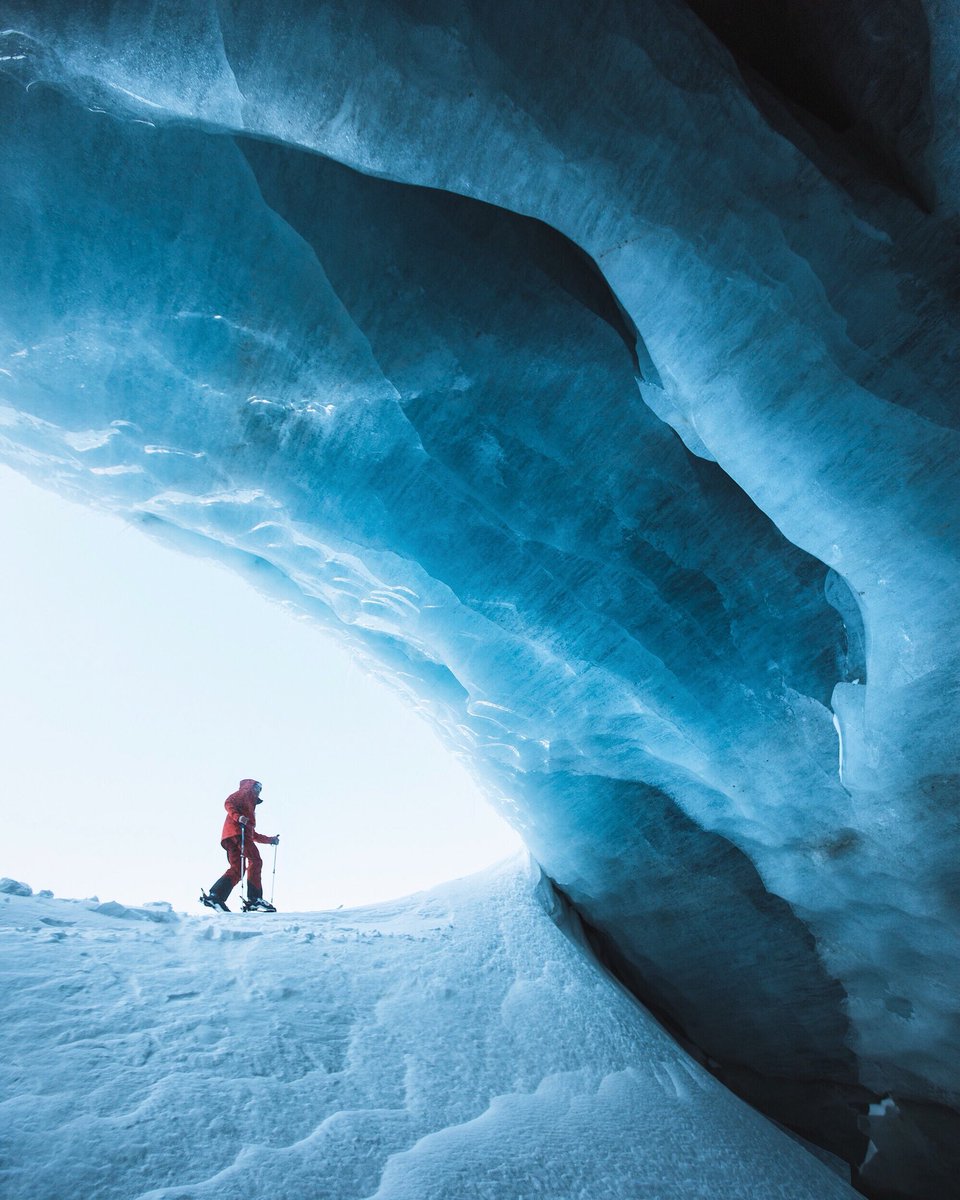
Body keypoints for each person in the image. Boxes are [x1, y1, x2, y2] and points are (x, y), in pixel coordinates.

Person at [201, 779, 280, 912]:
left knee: (238, 868)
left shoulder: (249, 806)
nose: (259, 790)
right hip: (238, 834)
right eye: (257, 786)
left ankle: (216, 896)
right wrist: (238, 817)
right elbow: (228, 802)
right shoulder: (245, 793)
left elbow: (252, 835)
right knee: (255, 860)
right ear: (250, 785)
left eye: (260, 788)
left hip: (231, 837)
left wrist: (270, 840)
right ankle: (254, 899)